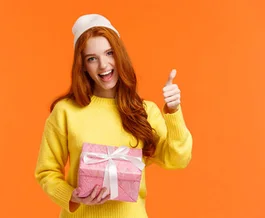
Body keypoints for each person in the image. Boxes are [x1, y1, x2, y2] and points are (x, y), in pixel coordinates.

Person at [34, 14, 193, 218]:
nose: (103, 65)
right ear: (82, 65)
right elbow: (46, 172)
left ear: (119, 55)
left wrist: (173, 111)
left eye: (109, 53)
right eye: (92, 58)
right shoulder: (65, 112)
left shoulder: (145, 111)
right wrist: (72, 196)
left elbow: (178, 160)